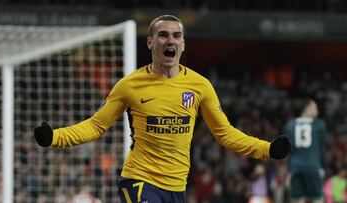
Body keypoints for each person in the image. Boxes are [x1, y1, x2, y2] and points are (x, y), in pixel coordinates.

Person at [34, 14, 291, 203]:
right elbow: (96, 125)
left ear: (183, 45)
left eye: (177, 36)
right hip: (139, 181)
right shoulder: (130, 85)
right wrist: (55, 137)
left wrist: (266, 149)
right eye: (163, 35)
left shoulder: (200, 85)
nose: (171, 40)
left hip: (177, 188)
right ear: (150, 43)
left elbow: (225, 133)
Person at [284, 98, 327, 203]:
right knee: (317, 198)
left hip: (295, 167)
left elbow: (288, 151)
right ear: (307, 108)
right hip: (313, 166)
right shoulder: (319, 125)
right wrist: (323, 167)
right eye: (314, 107)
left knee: (296, 199)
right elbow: (321, 150)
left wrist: (289, 170)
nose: (317, 110)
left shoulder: (289, 125)